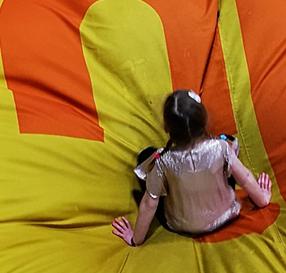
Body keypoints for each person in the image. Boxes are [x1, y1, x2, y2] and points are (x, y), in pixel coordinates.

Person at [112, 89, 272, 246]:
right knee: (228, 149)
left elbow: (149, 203)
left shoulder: (163, 162)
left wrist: (136, 239)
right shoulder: (221, 147)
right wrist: (262, 199)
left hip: (181, 224)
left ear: (166, 128)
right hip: (225, 214)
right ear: (204, 120)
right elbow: (245, 178)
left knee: (145, 156)